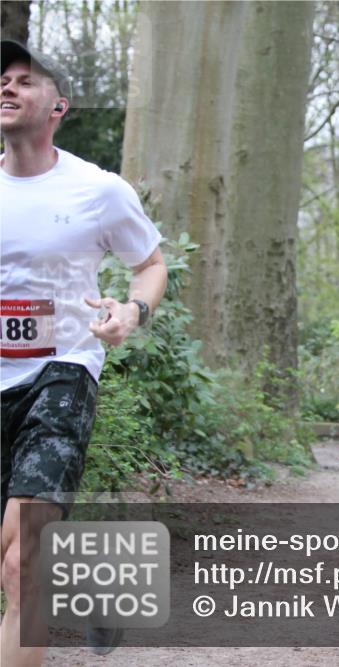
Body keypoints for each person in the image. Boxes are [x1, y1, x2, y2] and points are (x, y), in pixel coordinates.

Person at [0, 40, 167, 665]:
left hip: (61, 374)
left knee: (20, 560)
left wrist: (132, 311)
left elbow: (150, 265)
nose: (7, 87)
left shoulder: (98, 190)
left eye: (25, 80)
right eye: (2, 80)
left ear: (58, 106)